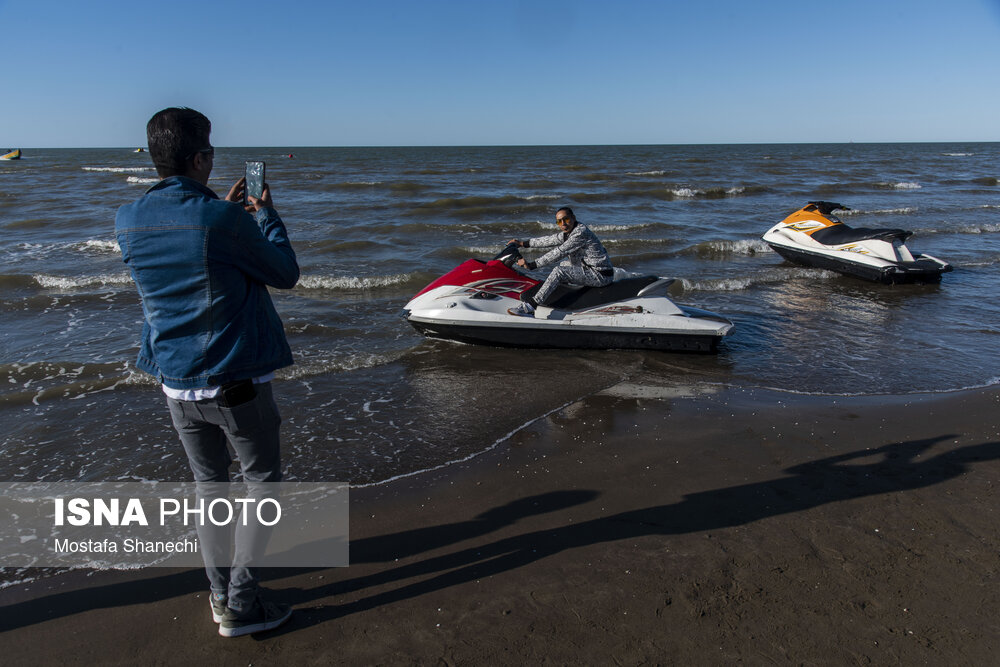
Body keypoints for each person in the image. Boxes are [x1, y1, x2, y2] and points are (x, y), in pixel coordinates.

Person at [115, 107, 299, 638]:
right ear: (200, 158)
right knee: (263, 485)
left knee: (209, 488)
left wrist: (219, 215)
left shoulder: (129, 218)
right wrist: (263, 215)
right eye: (211, 154)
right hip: (233, 380)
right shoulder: (225, 220)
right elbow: (284, 272)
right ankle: (241, 606)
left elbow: (186, 254)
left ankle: (220, 594)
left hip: (175, 382)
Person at [507, 207, 614, 317]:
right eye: (559, 221)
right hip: (588, 267)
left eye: (566, 219)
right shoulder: (570, 231)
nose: (563, 224)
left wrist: (532, 265)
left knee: (559, 271)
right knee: (563, 265)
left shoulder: (580, 233)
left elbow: (559, 252)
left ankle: (530, 306)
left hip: (600, 275)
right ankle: (560, 297)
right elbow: (549, 240)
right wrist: (522, 243)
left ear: (573, 218)